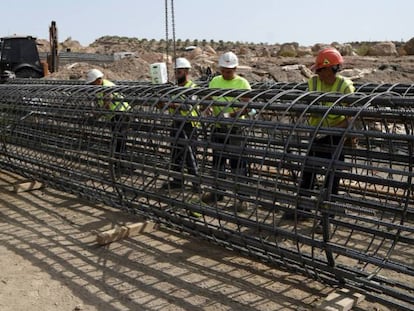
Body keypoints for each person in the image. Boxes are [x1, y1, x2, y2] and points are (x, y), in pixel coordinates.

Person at [282, 47, 355, 231]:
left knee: (332, 178)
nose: (317, 73)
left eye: (320, 69)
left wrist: (333, 130)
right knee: (308, 172)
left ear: (331, 69)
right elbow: (307, 107)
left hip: (335, 137)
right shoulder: (313, 84)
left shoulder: (345, 86)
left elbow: (352, 117)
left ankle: (327, 219)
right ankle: (303, 209)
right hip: (317, 135)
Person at [201, 51, 251, 211]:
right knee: (218, 162)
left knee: (238, 165)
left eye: (229, 71)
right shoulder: (215, 81)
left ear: (235, 68)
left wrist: (232, 115)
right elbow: (208, 99)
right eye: (223, 70)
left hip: (235, 129)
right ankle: (217, 192)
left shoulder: (243, 83)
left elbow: (248, 106)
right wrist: (207, 108)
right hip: (219, 128)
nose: (225, 73)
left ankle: (243, 199)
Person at [159, 57, 200, 192]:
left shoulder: (193, 88)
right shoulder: (174, 88)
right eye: (176, 71)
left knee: (190, 156)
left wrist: (169, 103)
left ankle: (196, 184)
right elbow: (165, 105)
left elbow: (188, 107)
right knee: (176, 155)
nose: (177, 74)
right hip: (176, 123)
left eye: (180, 71)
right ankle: (177, 181)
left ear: (187, 72)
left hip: (189, 125)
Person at [85, 69, 131, 176]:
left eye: (92, 84)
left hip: (121, 115)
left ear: (98, 80)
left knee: (119, 142)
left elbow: (107, 105)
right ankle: (121, 166)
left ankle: (122, 167)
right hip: (114, 116)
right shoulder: (99, 88)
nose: (91, 86)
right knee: (119, 142)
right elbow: (100, 104)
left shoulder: (107, 87)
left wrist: (96, 115)